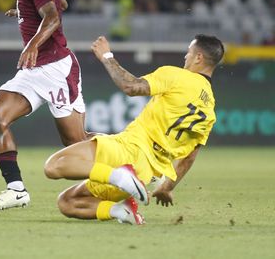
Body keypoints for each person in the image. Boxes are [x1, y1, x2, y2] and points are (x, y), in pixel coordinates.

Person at [44, 34, 224, 224]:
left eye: (188, 53)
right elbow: (189, 158)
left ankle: (118, 175)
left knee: (54, 166)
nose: (185, 57)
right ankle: (122, 211)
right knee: (67, 202)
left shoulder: (178, 76)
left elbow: (131, 87)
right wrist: (167, 187)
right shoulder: (209, 109)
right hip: (144, 173)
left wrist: (106, 56)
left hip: (129, 152)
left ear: (198, 58)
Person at [0, 0, 88, 210]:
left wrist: (32, 43)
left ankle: (130, 156)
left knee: (76, 143)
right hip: (33, 71)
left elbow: (53, 17)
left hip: (56, 69)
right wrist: (24, 10)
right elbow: (61, 3)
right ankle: (16, 189)